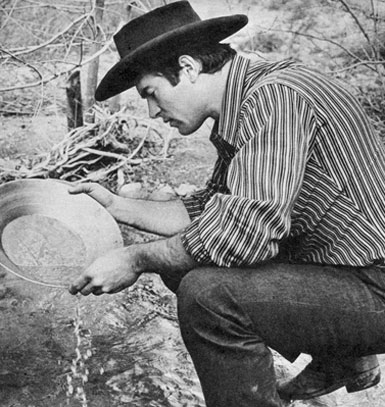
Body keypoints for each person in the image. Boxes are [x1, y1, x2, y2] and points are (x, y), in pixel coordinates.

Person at [68, 1, 385, 406]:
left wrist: (134, 259)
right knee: (187, 267)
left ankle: (338, 355)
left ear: (188, 68)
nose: (151, 111)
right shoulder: (247, 103)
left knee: (207, 295)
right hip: (351, 270)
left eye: (151, 93)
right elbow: (208, 211)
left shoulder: (276, 99)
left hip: (374, 282)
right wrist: (115, 205)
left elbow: (243, 235)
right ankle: (344, 357)